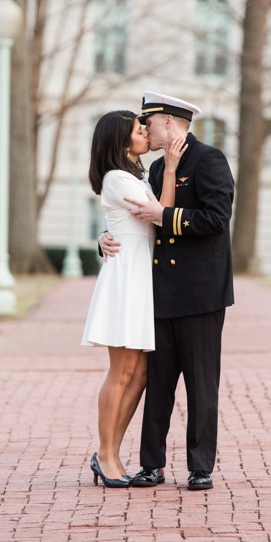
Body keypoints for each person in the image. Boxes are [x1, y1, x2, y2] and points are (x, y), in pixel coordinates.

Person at [101, 91, 235, 491]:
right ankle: (151, 465)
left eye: (150, 123)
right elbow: (134, 221)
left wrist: (166, 216)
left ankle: (200, 467)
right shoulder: (157, 168)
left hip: (200, 293)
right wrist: (105, 237)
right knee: (157, 383)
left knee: (200, 383)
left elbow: (216, 217)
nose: (145, 129)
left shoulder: (209, 159)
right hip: (158, 293)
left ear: (170, 123)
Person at [82, 110, 186, 488]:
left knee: (140, 374)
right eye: (138, 129)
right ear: (122, 141)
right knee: (122, 371)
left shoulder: (129, 176)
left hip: (142, 280)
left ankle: (109, 451)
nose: (145, 132)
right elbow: (160, 215)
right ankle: (106, 454)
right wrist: (171, 169)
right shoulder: (117, 177)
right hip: (126, 280)